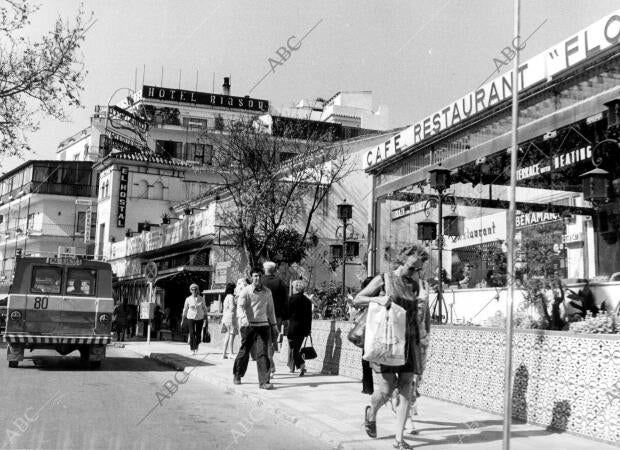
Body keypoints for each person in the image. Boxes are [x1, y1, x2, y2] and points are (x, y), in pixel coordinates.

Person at [354, 244, 428, 450]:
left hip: (409, 343)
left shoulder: (415, 284)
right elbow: (357, 299)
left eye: (419, 269)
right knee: (386, 390)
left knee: (406, 389)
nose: (415, 272)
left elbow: (416, 314)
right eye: (412, 267)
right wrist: (377, 298)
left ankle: (399, 439)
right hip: (386, 342)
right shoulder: (384, 279)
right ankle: (371, 412)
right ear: (402, 260)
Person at [233, 266, 278, 390]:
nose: (257, 278)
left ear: (262, 276)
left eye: (259, 275)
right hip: (248, 326)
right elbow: (240, 307)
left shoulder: (268, 292)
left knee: (263, 353)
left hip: (263, 326)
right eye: (255, 276)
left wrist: (274, 325)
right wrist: (244, 319)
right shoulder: (246, 291)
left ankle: (264, 382)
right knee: (244, 351)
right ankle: (237, 374)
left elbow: (270, 310)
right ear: (251, 277)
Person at [262, 261, 288, 375]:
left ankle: (270, 365)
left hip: (262, 315)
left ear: (264, 269)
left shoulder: (260, 281)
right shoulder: (280, 282)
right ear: (274, 269)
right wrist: (285, 318)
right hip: (277, 316)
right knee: (272, 341)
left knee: (265, 341)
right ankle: (270, 364)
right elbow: (285, 301)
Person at [286, 280, 312, 376]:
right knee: (296, 348)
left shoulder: (292, 299)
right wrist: (309, 330)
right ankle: (300, 366)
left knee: (293, 349)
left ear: (296, 288)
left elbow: (287, 313)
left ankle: (301, 364)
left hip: (293, 328)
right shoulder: (308, 301)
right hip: (303, 329)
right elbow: (309, 317)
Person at [180, 283, 209, 355]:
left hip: (200, 318)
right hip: (190, 317)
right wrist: (183, 319)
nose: (194, 291)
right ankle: (193, 348)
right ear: (190, 290)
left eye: (195, 289)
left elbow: (205, 309)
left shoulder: (201, 298)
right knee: (192, 333)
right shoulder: (188, 299)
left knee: (198, 334)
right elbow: (185, 309)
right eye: (192, 289)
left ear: (197, 290)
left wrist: (206, 318)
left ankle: (197, 345)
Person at [358, 276, 375, 395]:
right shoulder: (381, 297)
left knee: (366, 360)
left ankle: (368, 387)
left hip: (371, 334)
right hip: (379, 334)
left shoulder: (368, 299)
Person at [221, 283, 238, 359]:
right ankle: (231, 353)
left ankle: (224, 353)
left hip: (225, 317)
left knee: (227, 336)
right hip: (231, 317)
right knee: (232, 335)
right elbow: (232, 307)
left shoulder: (226, 297)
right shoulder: (231, 297)